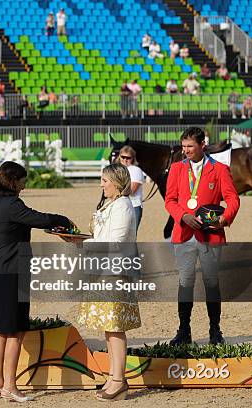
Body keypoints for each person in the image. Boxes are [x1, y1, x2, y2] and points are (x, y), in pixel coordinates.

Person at [0, 161, 73, 402]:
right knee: (15, 332)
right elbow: (39, 218)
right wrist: (62, 219)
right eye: (22, 181)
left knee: (0, 332)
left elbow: (27, 220)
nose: (24, 185)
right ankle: (11, 386)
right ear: (12, 181)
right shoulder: (13, 204)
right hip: (11, 274)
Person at [165, 127, 240, 346]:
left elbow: (233, 199)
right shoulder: (177, 168)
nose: (185, 150)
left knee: (211, 282)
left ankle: (215, 330)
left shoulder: (220, 169)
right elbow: (170, 200)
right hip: (184, 233)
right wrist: (182, 216)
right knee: (186, 282)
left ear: (202, 145)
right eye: (183, 146)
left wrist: (224, 219)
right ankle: (184, 330)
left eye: (190, 146)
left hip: (211, 235)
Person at [76, 163, 141, 402]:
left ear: (117, 182)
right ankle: (115, 377)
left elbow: (115, 243)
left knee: (115, 328)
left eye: (105, 180)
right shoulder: (111, 204)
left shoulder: (123, 206)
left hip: (115, 273)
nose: (101, 185)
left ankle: (119, 380)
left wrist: (85, 244)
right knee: (109, 327)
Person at [118, 146, 144, 231]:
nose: (125, 159)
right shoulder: (117, 169)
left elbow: (132, 190)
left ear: (132, 158)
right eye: (123, 157)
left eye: (128, 158)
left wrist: (116, 189)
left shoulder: (136, 170)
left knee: (130, 236)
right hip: (119, 206)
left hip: (133, 207)